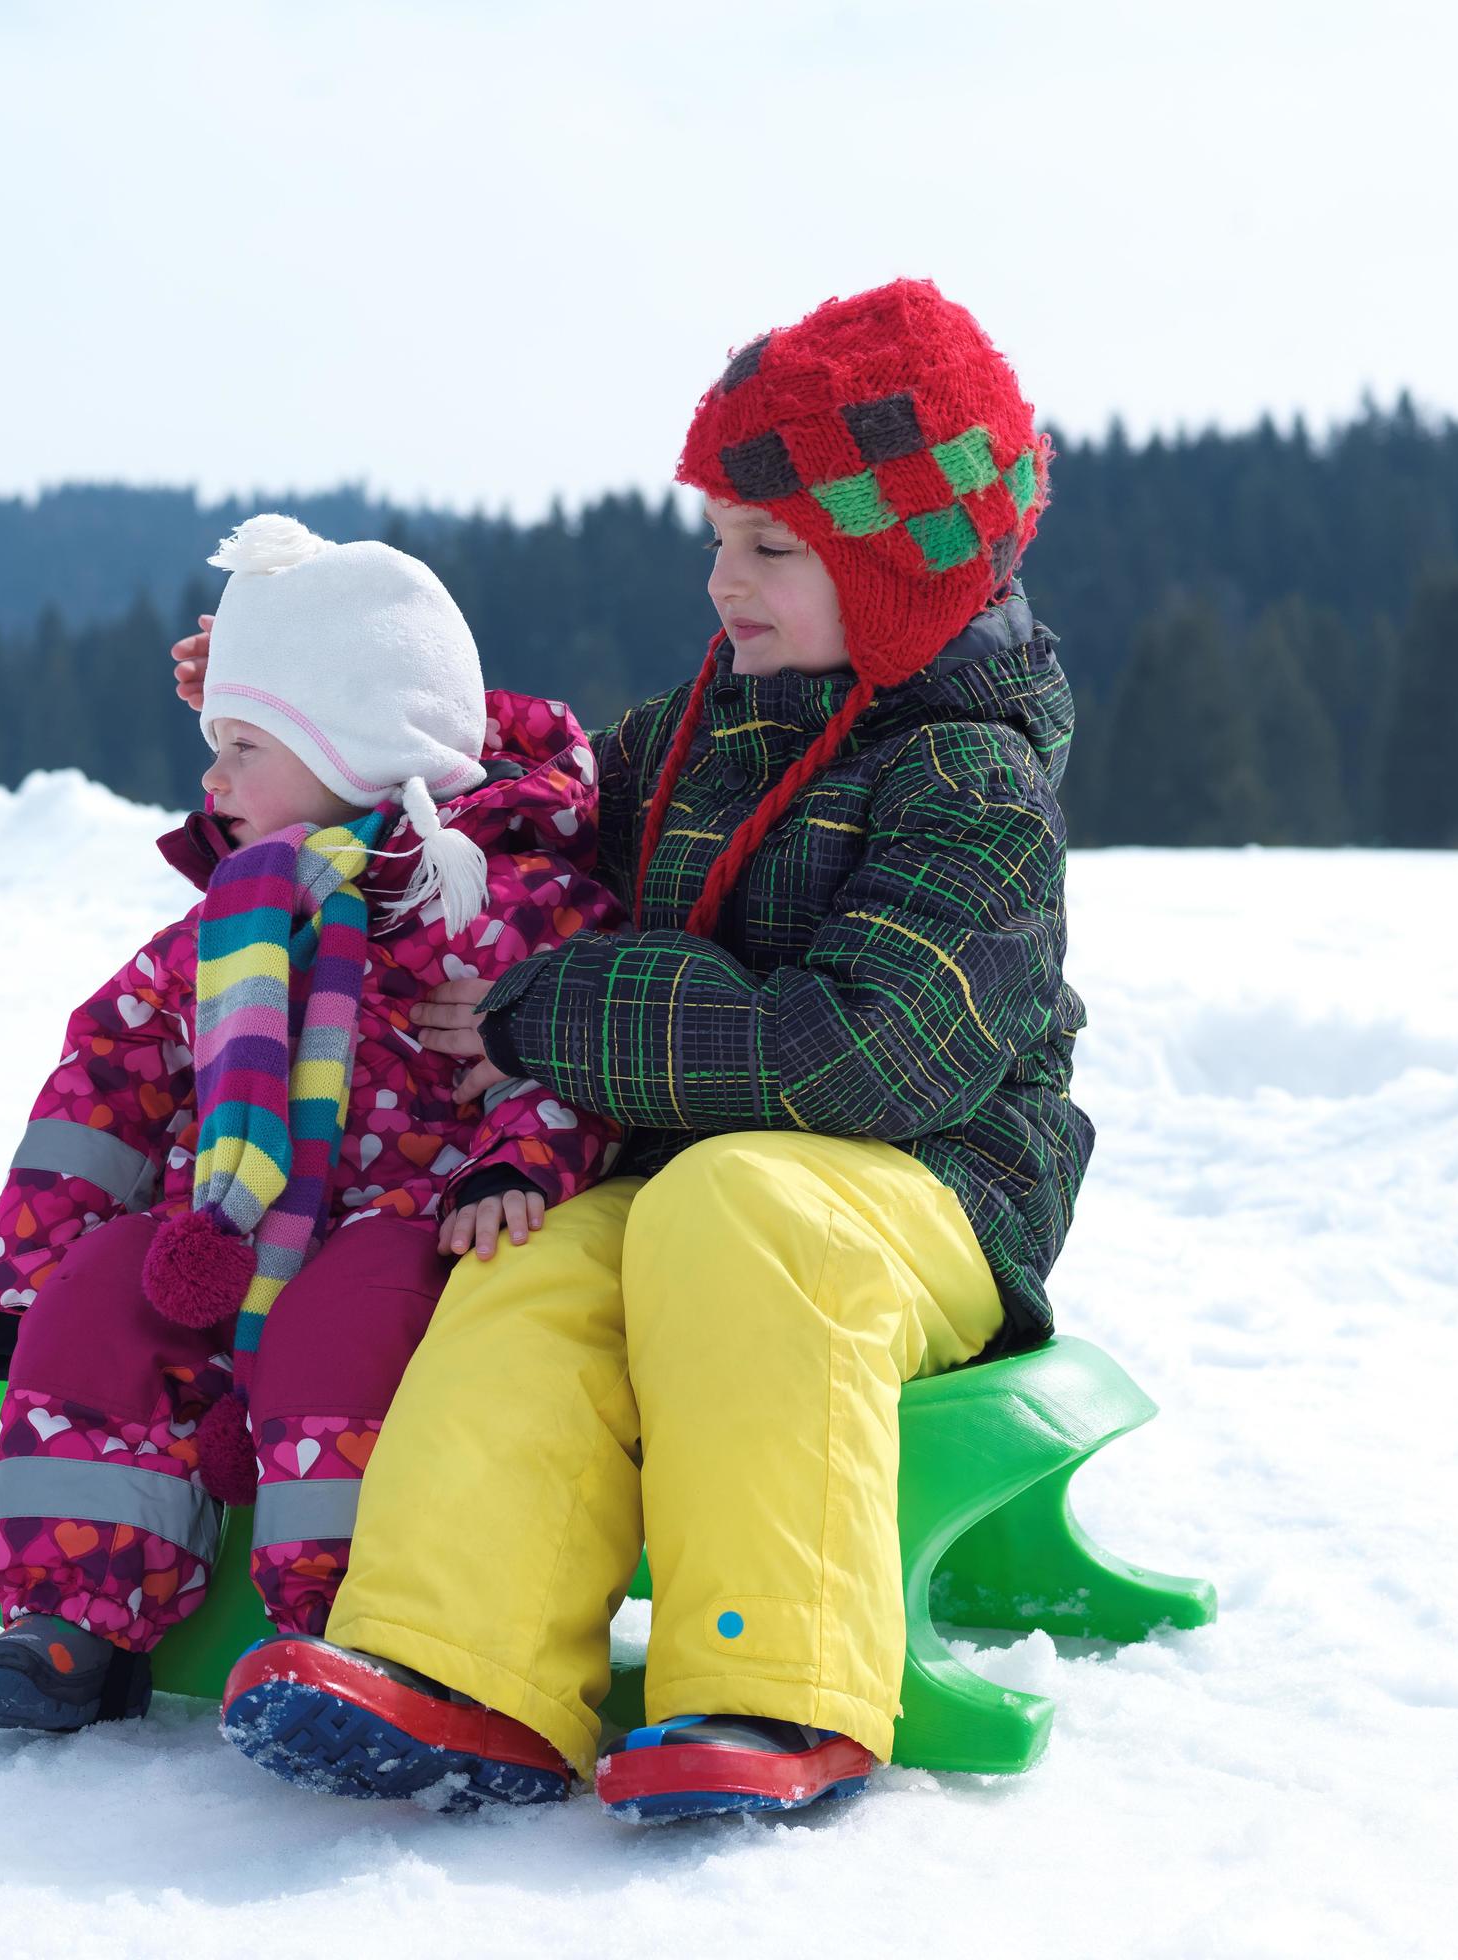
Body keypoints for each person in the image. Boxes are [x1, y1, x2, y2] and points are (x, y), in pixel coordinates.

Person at [174, 280, 1094, 1821]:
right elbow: (510, 815)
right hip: (682, 1187)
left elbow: (874, 1056)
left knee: (739, 1209)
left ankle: (772, 1677)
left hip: (922, 1197)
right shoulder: (694, 731)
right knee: (529, 1262)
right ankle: (453, 1662)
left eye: (771, 547)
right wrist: (313, 719)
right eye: (719, 536)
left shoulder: (971, 779)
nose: (723, 580)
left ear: (897, 563)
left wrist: (565, 1011)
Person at [0, 513, 622, 1734]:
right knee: (105, 1291)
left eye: (244, 746)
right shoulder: (227, 921)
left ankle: (355, 1622)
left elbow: (570, 1053)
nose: (213, 782)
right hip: (232, 1221)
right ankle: (75, 1608)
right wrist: (24, 1272)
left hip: (415, 1228)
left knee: (344, 1325)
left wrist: (519, 1159)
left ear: (350, 746)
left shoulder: (494, 906)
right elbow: (104, 1083)